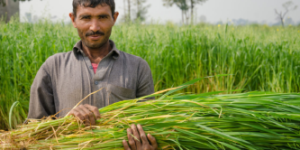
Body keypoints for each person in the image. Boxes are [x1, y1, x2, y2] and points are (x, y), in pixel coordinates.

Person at [27, 0, 157, 149]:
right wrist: (67, 123)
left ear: (114, 18)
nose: (94, 27)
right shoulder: (53, 67)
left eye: (102, 17)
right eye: (86, 18)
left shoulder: (138, 67)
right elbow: (33, 132)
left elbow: (150, 126)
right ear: (73, 19)